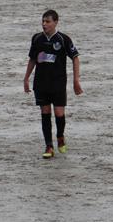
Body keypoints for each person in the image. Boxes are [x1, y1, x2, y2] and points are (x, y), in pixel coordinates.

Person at [23, 10, 82, 158]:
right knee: (45, 112)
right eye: (43, 21)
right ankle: (49, 146)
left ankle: (60, 137)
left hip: (58, 83)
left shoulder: (63, 39)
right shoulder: (36, 39)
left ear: (56, 22)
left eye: (48, 21)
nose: (44, 24)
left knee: (59, 113)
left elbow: (75, 58)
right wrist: (26, 78)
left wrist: (76, 80)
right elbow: (32, 59)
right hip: (41, 83)